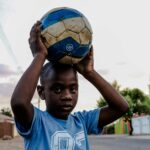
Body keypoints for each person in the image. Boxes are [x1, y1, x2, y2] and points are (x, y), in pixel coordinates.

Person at [11, 21, 129, 150]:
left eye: (73, 89)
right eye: (57, 89)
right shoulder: (37, 122)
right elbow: (19, 103)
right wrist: (39, 56)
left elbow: (121, 107)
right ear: (41, 92)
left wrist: (89, 73)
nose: (67, 96)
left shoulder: (81, 121)